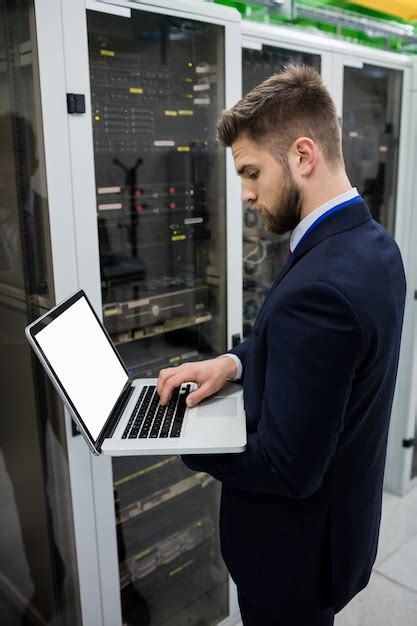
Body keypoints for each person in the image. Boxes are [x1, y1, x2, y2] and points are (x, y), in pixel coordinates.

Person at [156, 65, 406, 625]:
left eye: (250, 172)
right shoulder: (371, 244)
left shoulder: (322, 283)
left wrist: (181, 435)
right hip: (334, 533)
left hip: (291, 558)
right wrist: (230, 363)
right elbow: (305, 351)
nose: (245, 193)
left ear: (301, 154)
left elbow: (288, 468)